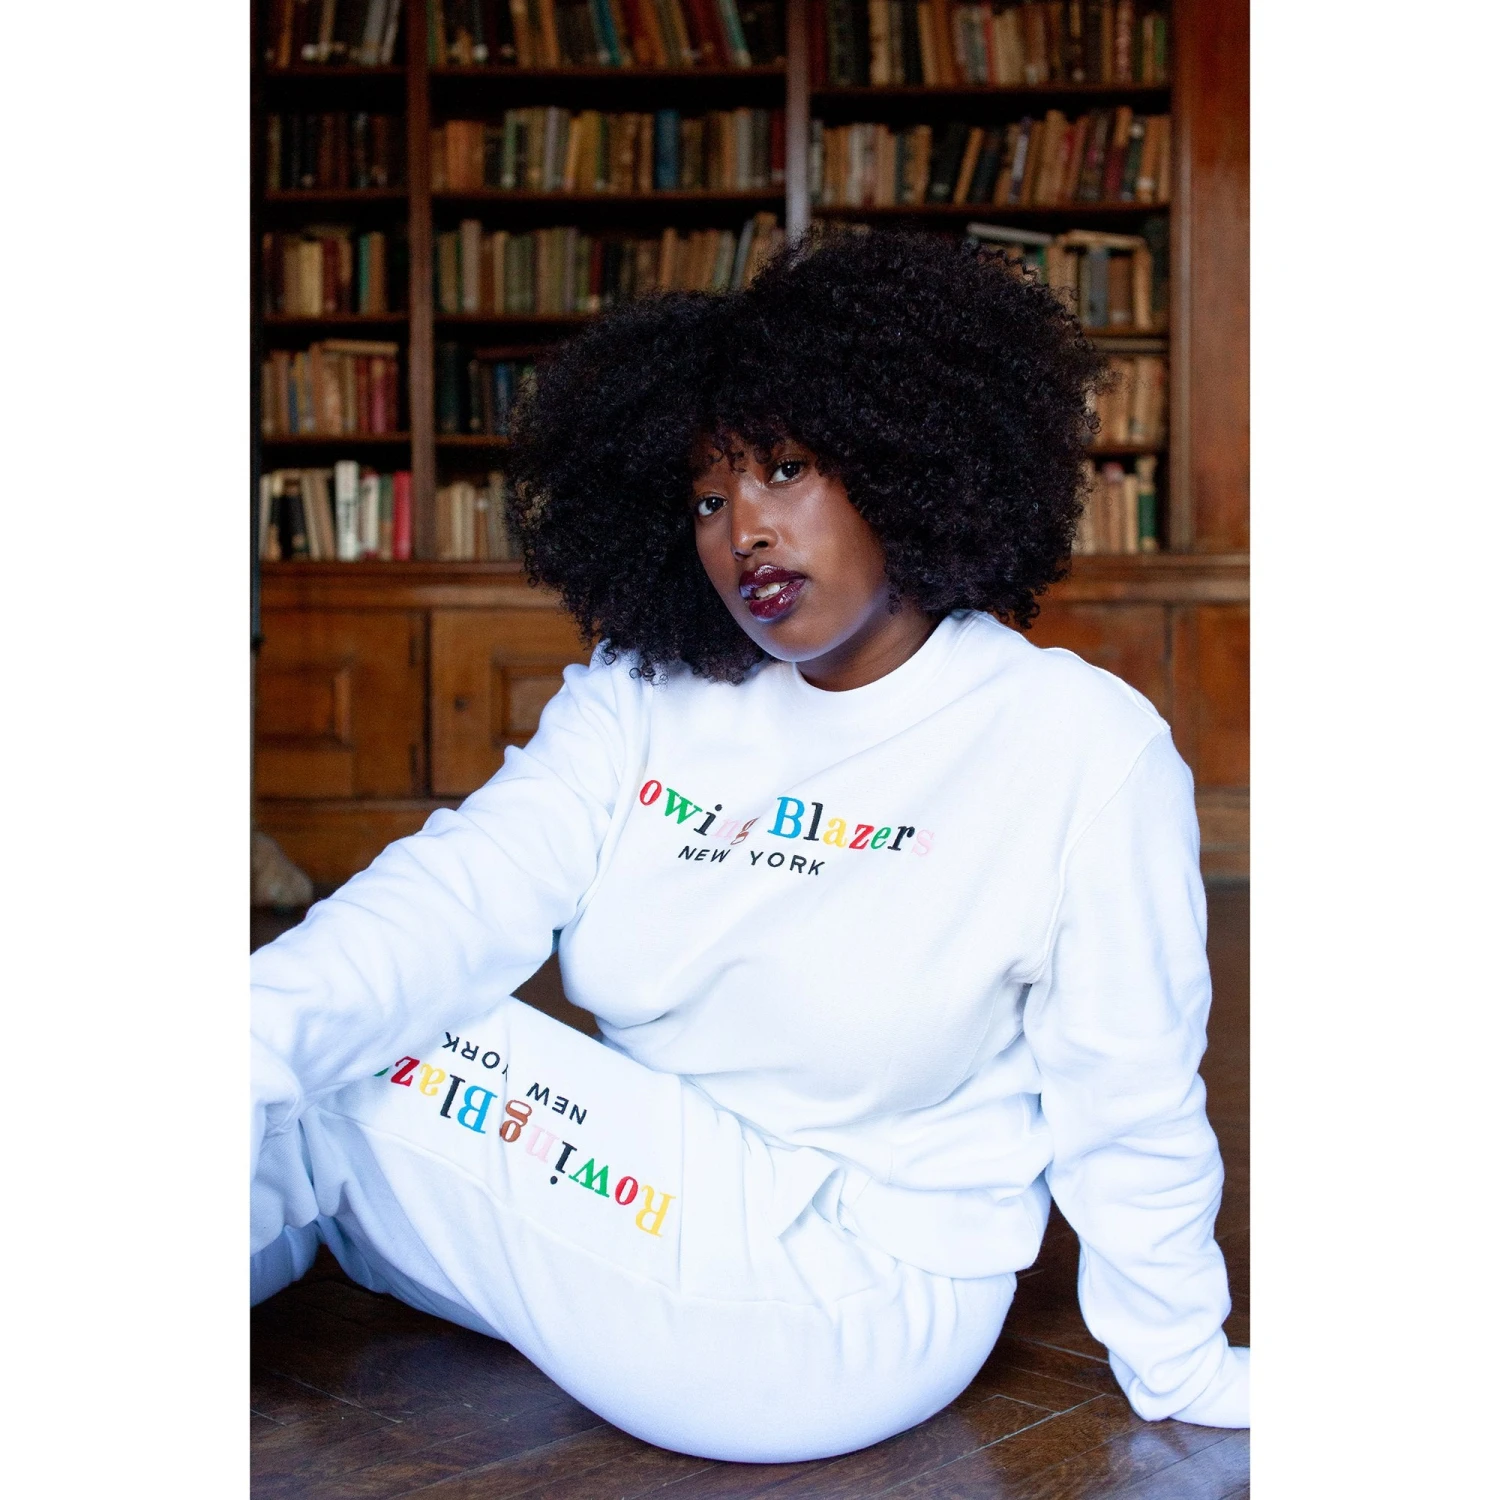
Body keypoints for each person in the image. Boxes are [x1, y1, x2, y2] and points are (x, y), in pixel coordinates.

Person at [251, 229, 1249, 1462]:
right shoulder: (644, 692)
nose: (744, 532)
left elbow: (1129, 1090)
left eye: (786, 469)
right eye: (709, 497)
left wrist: (1180, 1355)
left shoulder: (1076, 742)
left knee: (348, 1072)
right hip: (635, 1194)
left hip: (850, 1294)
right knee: (316, 1039)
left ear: (905, 460)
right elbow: (457, 894)